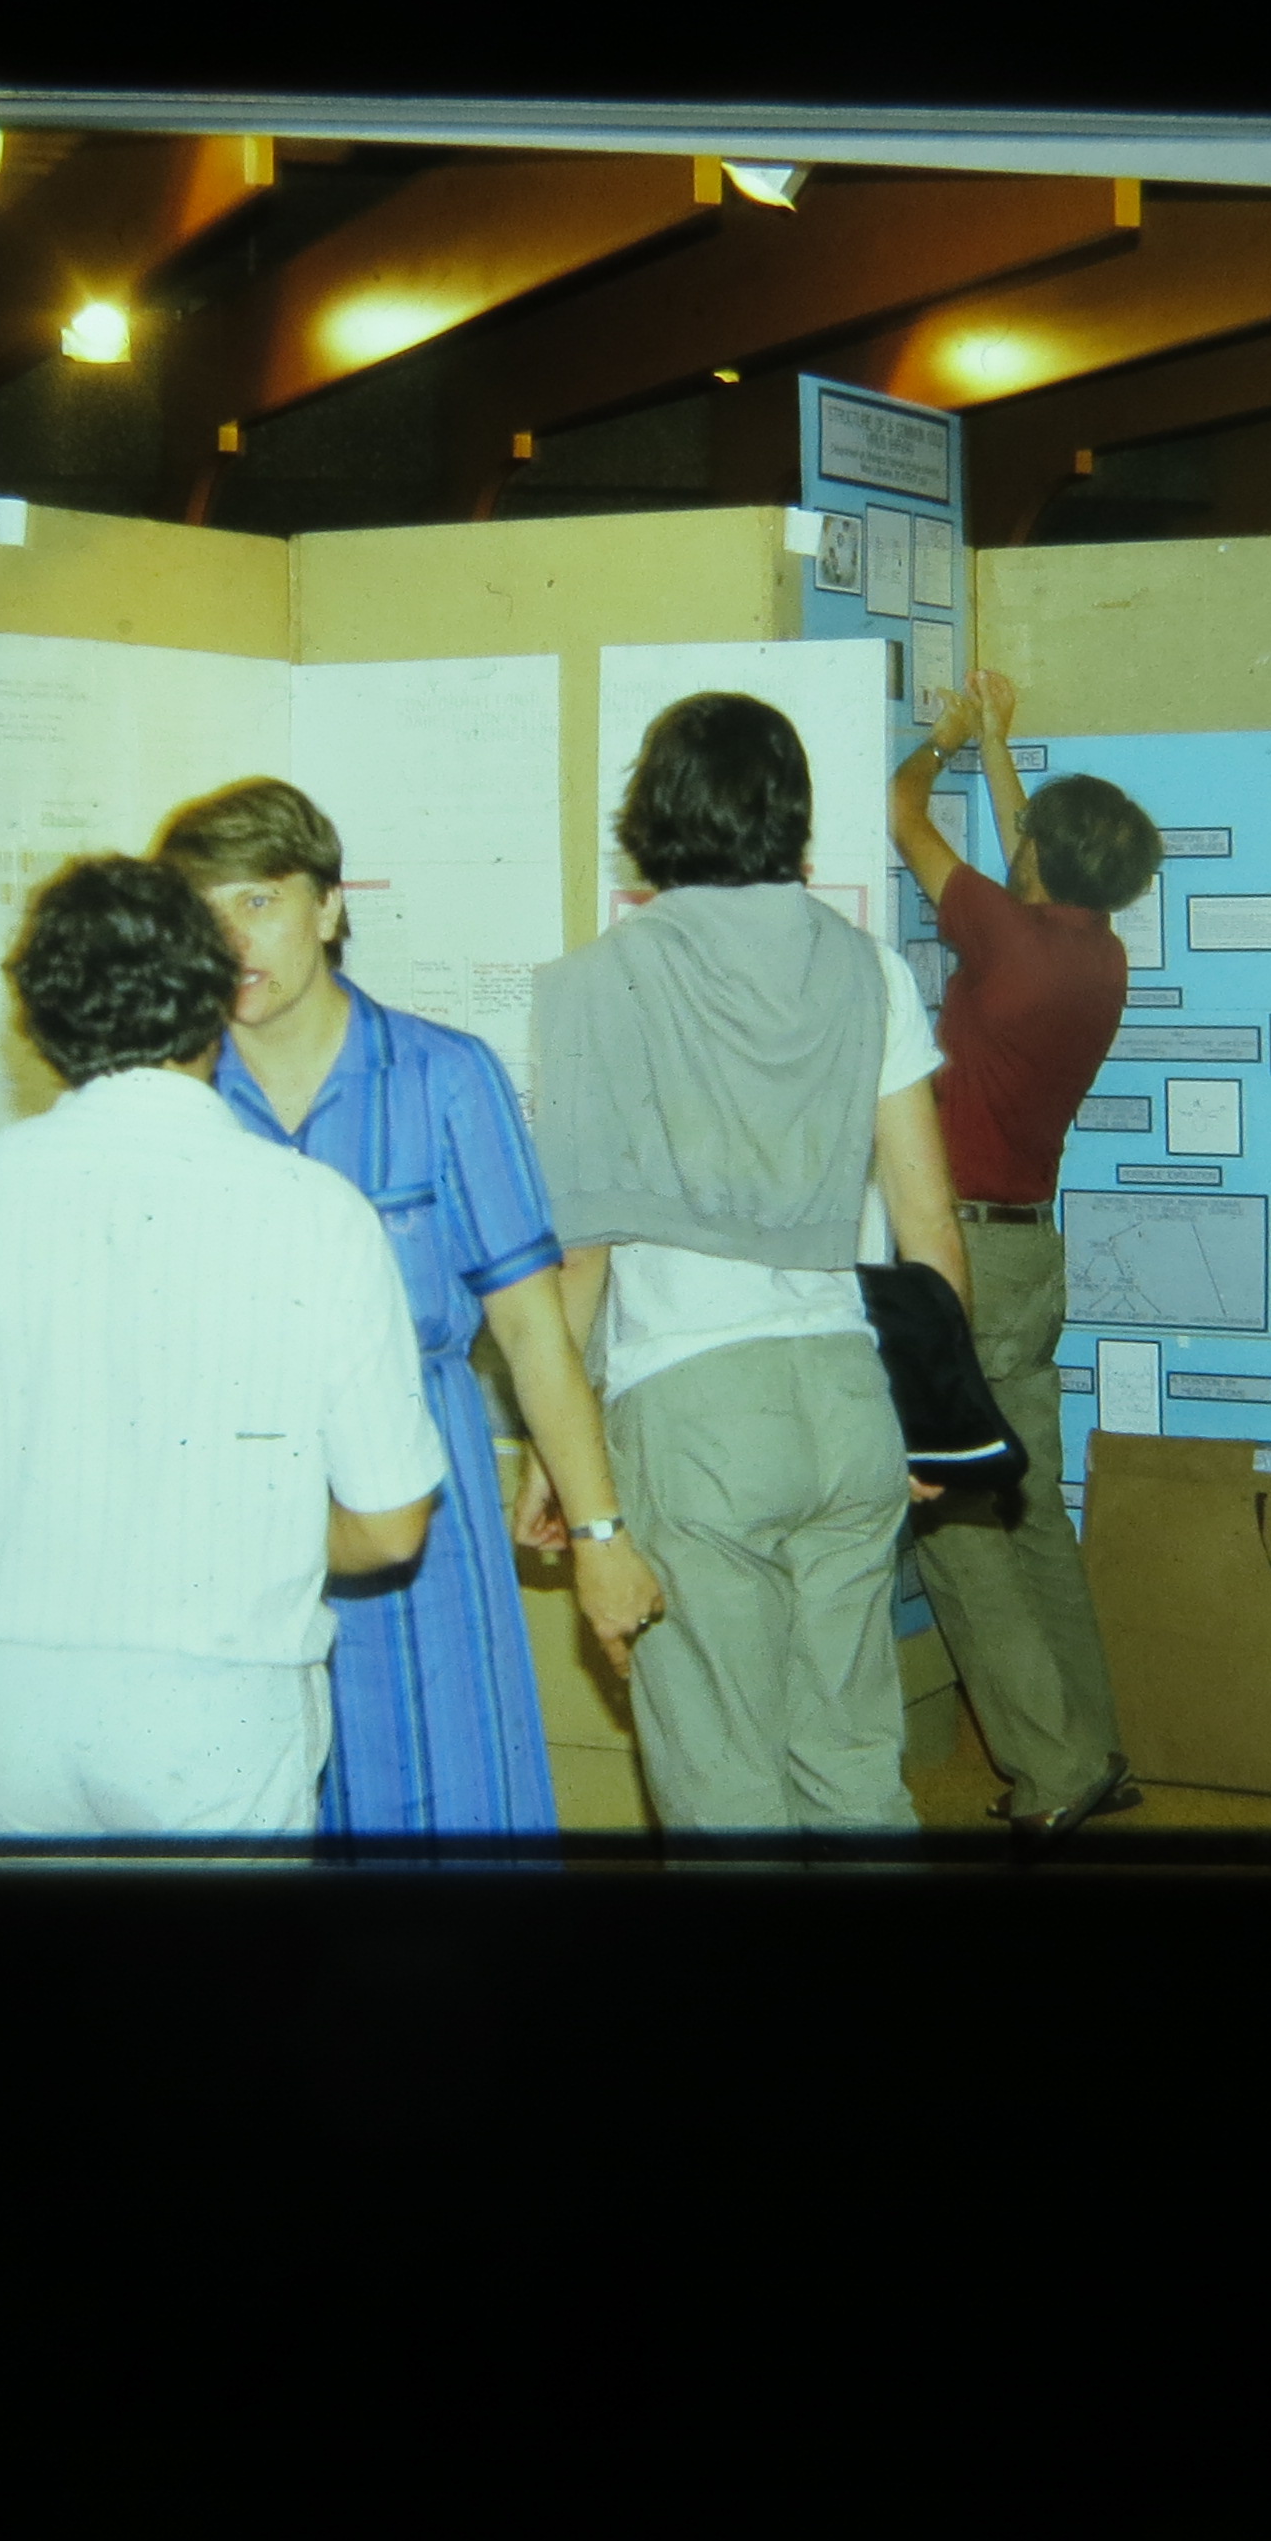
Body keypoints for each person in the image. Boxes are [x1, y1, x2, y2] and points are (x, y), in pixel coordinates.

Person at [0, 854, 446, 1847]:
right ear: (217, 995)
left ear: (37, 1016)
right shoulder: (314, 1212)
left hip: (12, 1697)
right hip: (220, 1701)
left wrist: (44, 1540)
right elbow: (390, 1526)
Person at [153, 779, 663, 1846]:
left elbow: (532, 1334)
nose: (232, 941)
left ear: (329, 906)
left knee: (443, 1814)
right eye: (204, 913)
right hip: (230, 1505)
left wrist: (601, 1534)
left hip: (419, 1504)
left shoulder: (443, 1079)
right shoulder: (172, 1102)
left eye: (258, 902)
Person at [529, 692, 972, 1839]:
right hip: (847, 1398)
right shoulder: (869, 969)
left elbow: (579, 1262)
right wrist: (932, 1417)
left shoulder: (598, 981)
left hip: (695, 1416)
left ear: (652, 811)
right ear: (790, 811)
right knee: (854, 1772)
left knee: (723, 1788)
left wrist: (554, 1456)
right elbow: (930, 1224)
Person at [887, 670, 1164, 1841]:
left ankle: (1049, 1771)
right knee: (1028, 1514)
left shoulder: (1009, 939)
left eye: (1027, 840)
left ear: (1040, 860)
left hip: (963, 1258)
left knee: (956, 1518)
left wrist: (945, 738)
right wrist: (1001, 745)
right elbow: (1025, 847)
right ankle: (1092, 1748)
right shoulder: (1096, 954)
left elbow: (902, 811)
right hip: (1031, 1255)